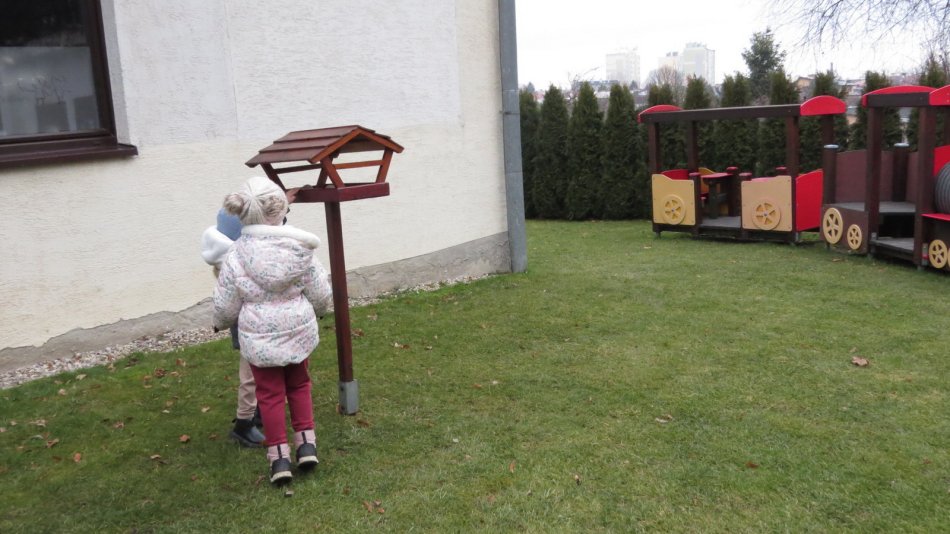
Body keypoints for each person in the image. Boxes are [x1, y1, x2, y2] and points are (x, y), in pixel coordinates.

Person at [212, 176, 332, 485]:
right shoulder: (300, 246)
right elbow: (320, 289)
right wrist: (321, 309)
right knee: (299, 384)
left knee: (269, 395)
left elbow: (226, 302)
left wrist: (220, 322)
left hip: (259, 338)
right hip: (297, 330)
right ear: (279, 209)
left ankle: (279, 459)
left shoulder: (235, 254)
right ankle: (306, 445)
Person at [201, 209, 266, 448]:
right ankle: (243, 424)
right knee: (250, 374)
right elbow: (227, 305)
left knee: (261, 371)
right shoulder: (236, 264)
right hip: (250, 327)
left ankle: (258, 412)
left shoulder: (229, 256)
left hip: (256, 324)